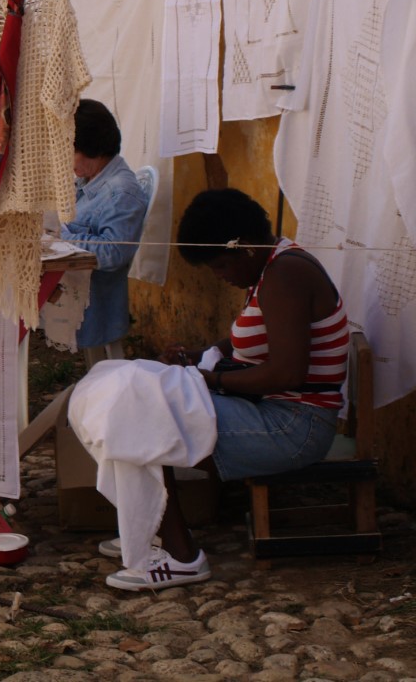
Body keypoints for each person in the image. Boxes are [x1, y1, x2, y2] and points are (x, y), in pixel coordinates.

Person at [100, 187, 347, 590]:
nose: (221, 277)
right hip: (279, 412)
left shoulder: (286, 275)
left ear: (244, 248)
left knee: (145, 417)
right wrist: (200, 356)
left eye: (220, 266)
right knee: (139, 397)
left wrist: (209, 379)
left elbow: (286, 373)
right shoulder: (273, 266)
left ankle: (182, 557)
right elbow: (250, 338)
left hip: (295, 427)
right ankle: (147, 529)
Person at [60, 99, 149, 365]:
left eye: (70, 151)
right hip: (76, 287)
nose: (66, 159)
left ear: (94, 150)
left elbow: (114, 252)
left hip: (96, 298)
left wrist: (60, 236)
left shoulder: (120, 192)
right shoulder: (89, 179)